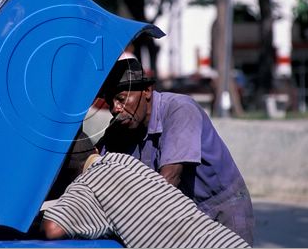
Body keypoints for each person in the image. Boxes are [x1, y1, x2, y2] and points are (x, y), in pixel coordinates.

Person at [94, 54, 254, 245]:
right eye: (110, 103)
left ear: (146, 90)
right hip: (184, 213)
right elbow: (95, 164)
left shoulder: (179, 109)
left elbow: (169, 180)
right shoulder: (123, 127)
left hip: (222, 207)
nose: (115, 109)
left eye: (121, 99)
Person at [41, 136, 250, 248]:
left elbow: (53, 228)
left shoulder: (84, 187)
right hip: (227, 241)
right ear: (95, 150)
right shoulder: (122, 159)